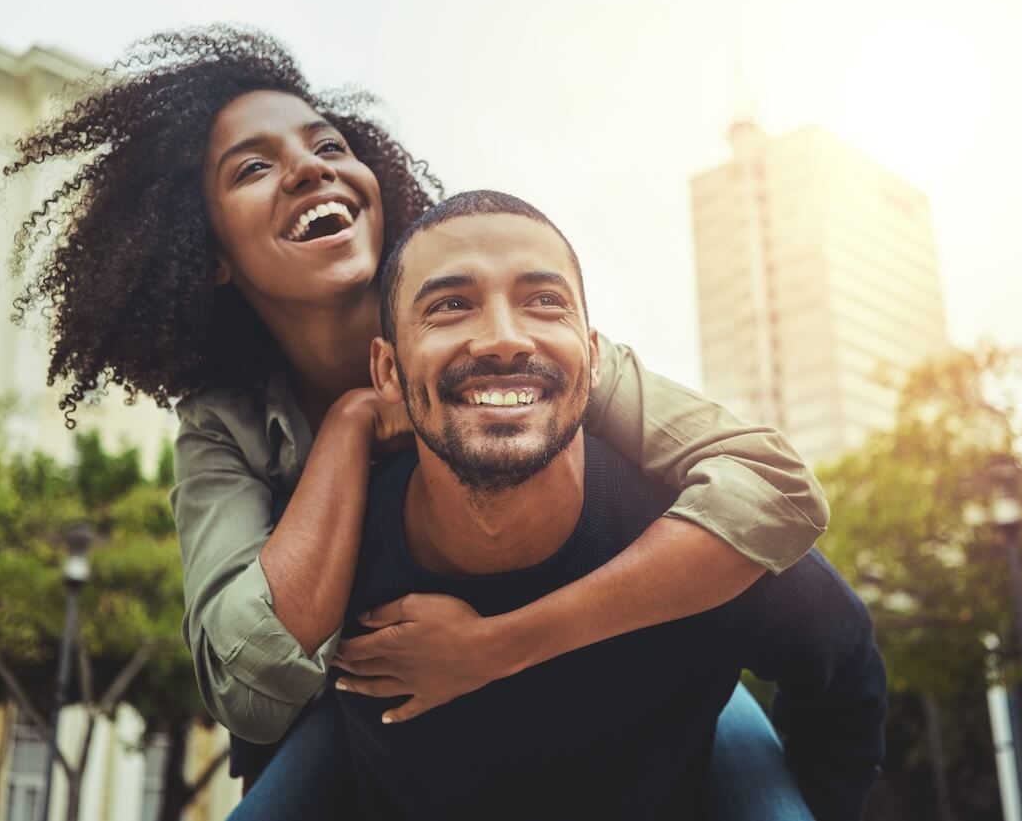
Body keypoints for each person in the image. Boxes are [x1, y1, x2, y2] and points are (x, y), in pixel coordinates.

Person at [5, 27, 830, 807]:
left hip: (624, 656)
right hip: (373, 709)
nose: (309, 170)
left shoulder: (512, 346)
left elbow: (772, 486)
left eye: (330, 146)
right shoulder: (223, 427)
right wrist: (351, 426)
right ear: (207, 252)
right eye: (252, 168)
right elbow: (246, 685)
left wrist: (504, 643)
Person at [332, 190, 886, 821]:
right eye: (451, 306)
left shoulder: (708, 539)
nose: (503, 340)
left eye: (544, 302)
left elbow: (845, 669)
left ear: (594, 357)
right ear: (387, 370)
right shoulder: (341, 552)